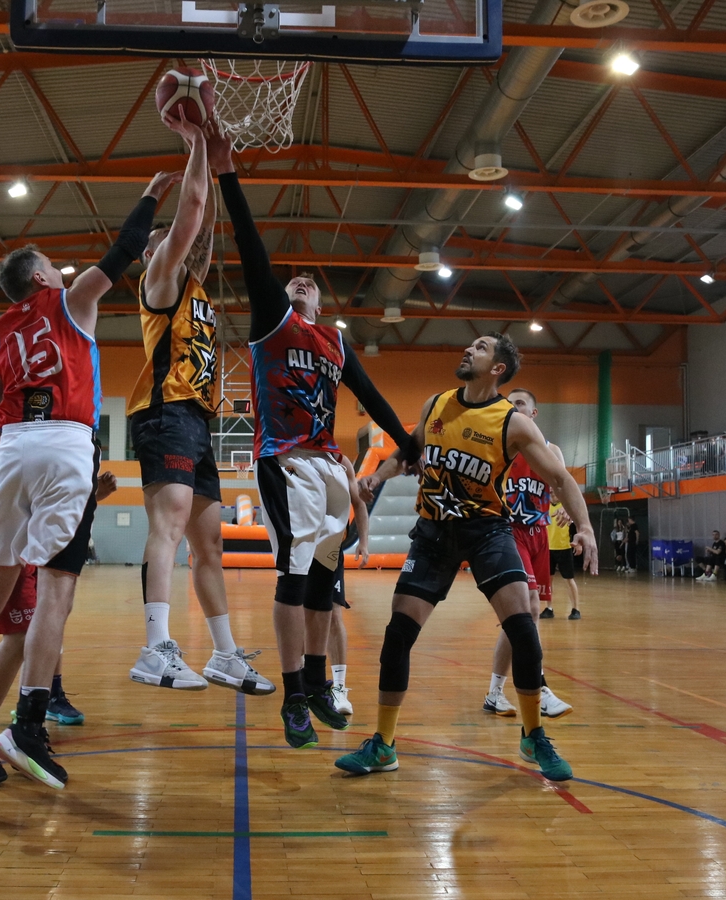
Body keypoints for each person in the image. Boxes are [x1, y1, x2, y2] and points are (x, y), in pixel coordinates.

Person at [0, 170, 172, 790]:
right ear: (39, 279)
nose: (63, 272)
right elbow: (126, 248)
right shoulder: (72, 301)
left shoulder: (0, 334)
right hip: (65, 444)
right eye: (53, 268)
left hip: (10, 451)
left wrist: (20, 436)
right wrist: (151, 192)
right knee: (57, 588)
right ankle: (28, 723)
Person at [210, 117, 419, 748]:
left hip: (331, 468)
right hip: (287, 461)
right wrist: (227, 172)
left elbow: (372, 397)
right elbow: (251, 246)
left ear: (322, 304)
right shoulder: (274, 322)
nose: (300, 281)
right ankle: (293, 695)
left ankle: (320, 683)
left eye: (311, 283)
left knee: (325, 580)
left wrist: (407, 443)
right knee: (295, 576)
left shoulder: (333, 341)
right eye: (293, 281)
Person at [333, 333, 598, 781]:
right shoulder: (436, 404)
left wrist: (585, 527)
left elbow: (560, 478)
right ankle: (383, 745)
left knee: (523, 628)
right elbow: (410, 450)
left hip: (487, 532)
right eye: (470, 344)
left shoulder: (512, 422)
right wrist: (378, 476)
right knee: (398, 635)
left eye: (480, 347)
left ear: (497, 368)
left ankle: (533, 735)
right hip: (433, 533)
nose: (468, 349)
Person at [127, 114, 270, 696]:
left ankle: (225, 655)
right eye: (166, 241)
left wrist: (211, 159)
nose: (180, 245)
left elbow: (202, 222)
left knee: (209, 542)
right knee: (169, 523)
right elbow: (189, 214)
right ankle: (155, 647)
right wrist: (194, 146)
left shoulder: (194, 285)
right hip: (165, 410)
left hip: (197, 419)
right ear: (152, 254)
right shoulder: (160, 280)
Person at [0, 467, 119, 784]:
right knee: (20, 634)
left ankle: (24, 725)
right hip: (0, 526)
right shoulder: (1, 438)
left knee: (43, 622)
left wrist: (91, 495)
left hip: (30, 529)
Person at [481, 388, 572, 720]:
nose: (512, 407)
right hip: (509, 532)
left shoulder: (551, 450)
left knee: (519, 619)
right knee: (530, 609)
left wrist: (570, 510)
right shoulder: (499, 445)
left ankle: (494, 693)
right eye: (509, 403)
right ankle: (540, 686)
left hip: (539, 536)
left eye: (519, 403)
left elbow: (562, 486)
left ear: (533, 413)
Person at [328, 455, 369, 718]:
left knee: (334, 615)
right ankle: (301, 684)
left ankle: (339, 687)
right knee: (299, 614)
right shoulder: (290, 454)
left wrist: (363, 541)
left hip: (331, 549)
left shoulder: (341, 462)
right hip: (300, 547)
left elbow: (358, 502)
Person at [544, 500, 581, 617]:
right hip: (548, 548)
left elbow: (578, 525)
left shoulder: (566, 506)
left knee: (569, 579)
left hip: (564, 547)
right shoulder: (545, 506)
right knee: (548, 580)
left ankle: (576, 609)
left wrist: (579, 543)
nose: (551, 492)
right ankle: (549, 608)